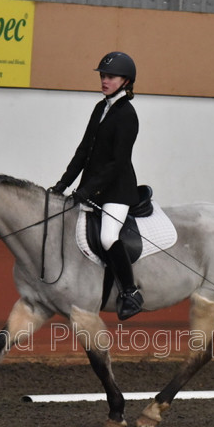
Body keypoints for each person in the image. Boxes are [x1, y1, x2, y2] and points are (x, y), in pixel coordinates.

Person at [49, 51, 143, 320]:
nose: (104, 80)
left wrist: (87, 191)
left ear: (125, 81)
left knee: (108, 237)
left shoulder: (128, 115)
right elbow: (84, 151)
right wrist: (62, 184)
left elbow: (117, 162)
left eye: (110, 77)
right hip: (93, 188)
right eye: (103, 76)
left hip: (117, 191)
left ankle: (130, 292)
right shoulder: (100, 107)